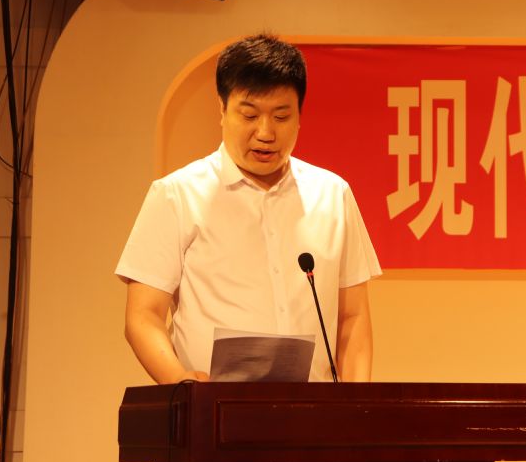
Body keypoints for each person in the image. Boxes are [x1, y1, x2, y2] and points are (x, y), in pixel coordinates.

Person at [116, 34, 381, 383]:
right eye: (250, 115)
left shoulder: (332, 195)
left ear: (299, 116)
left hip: (313, 409)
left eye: (281, 116)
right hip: (213, 406)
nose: (266, 133)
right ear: (222, 110)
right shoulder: (176, 195)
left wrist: (357, 407)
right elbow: (143, 316)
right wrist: (182, 385)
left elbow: (352, 319)